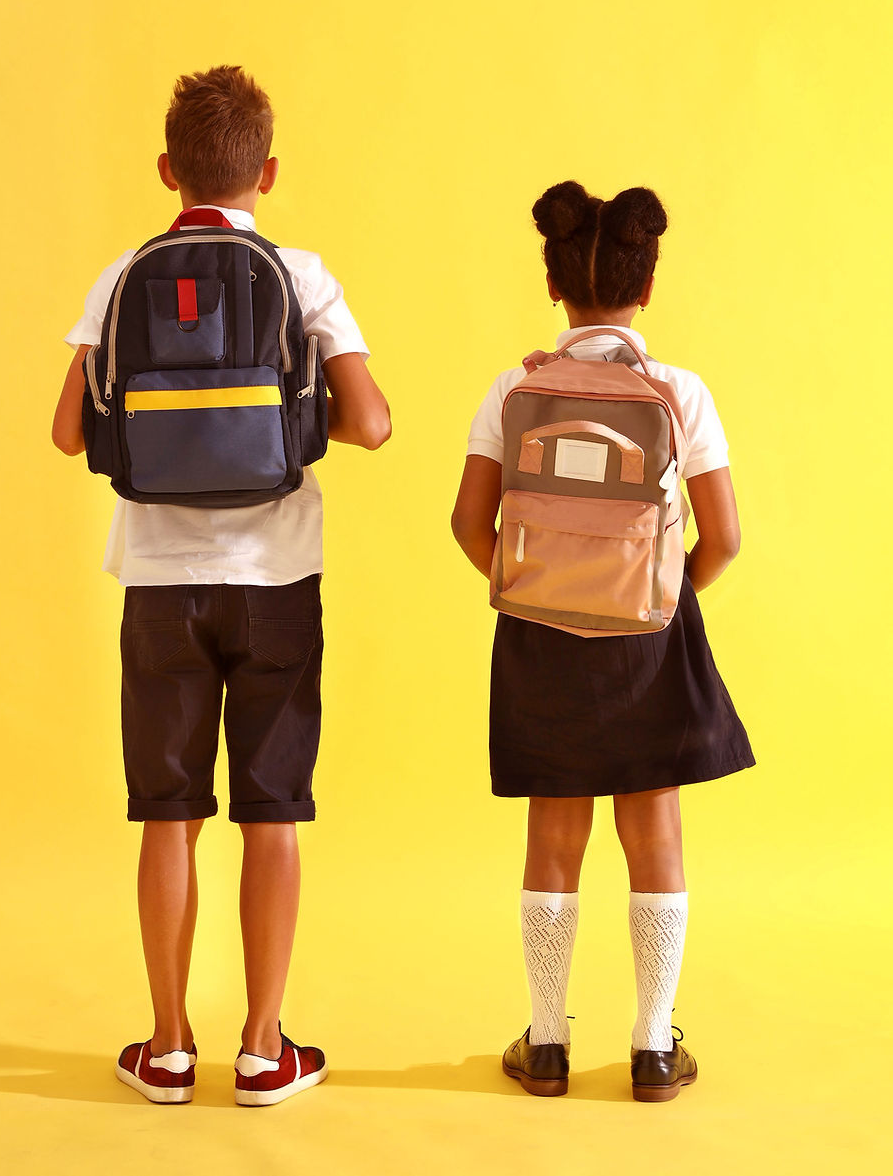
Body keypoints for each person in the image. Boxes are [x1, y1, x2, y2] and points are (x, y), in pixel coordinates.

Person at [52, 65, 391, 1107]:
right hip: (276, 574)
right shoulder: (302, 273)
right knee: (270, 811)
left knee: (169, 813)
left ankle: (163, 1048)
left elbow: (69, 432)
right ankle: (260, 1048)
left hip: (157, 579)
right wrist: (277, 430)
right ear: (268, 171)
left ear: (167, 169)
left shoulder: (120, 277)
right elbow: (371, 421)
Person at [451, 180, 753, 1102]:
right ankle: (654, 1046)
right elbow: (726, 537)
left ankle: (546, 1045)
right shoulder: (679, 392)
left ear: (556, 288)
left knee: (555, 833)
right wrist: (660, 597)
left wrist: (537, 589)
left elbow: (469, 524)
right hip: (647, 637)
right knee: (651, 829)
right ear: (645, 288)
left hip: (540, 634)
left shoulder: (515, 388)